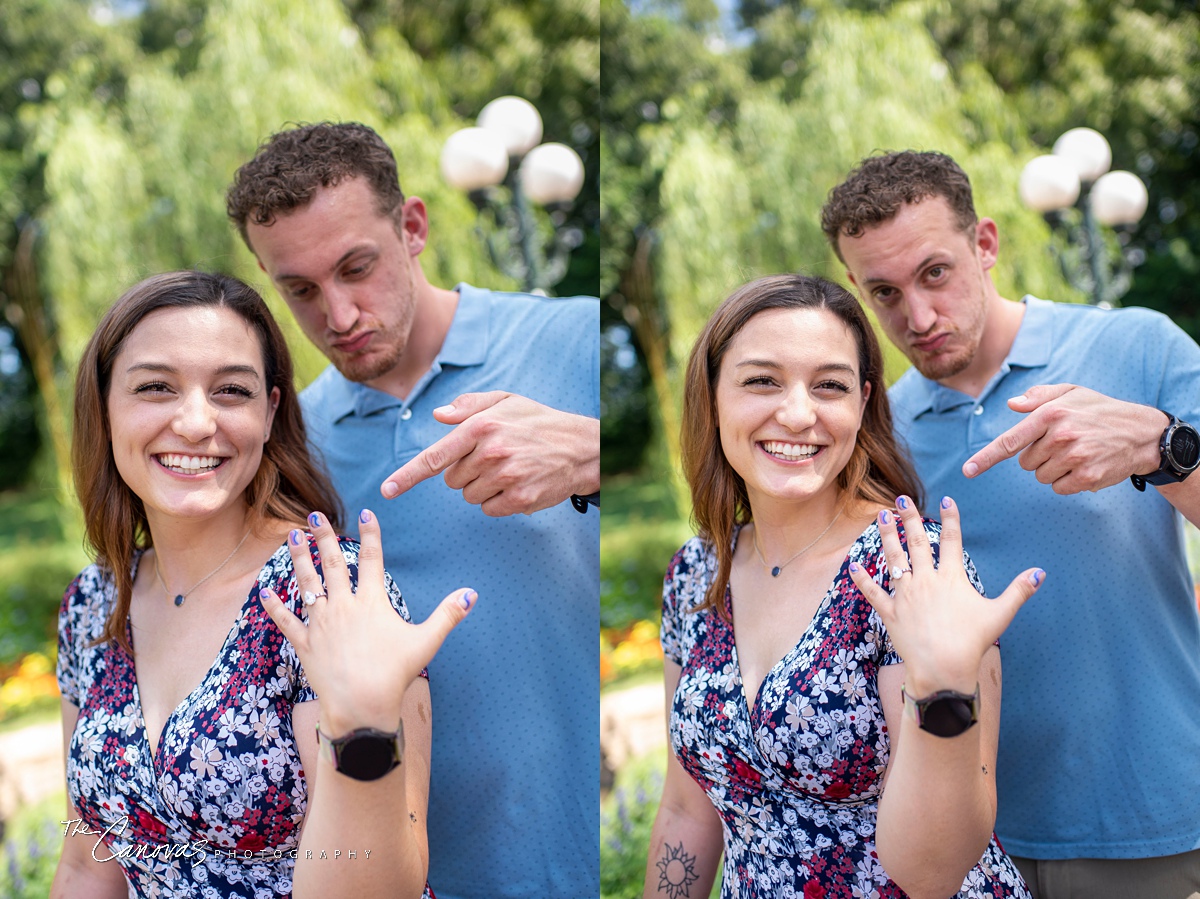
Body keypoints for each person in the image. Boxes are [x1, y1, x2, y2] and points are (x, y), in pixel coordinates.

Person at [225, 122, 600, 899]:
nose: (337, 313)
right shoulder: (285, 446)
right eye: (298, 288)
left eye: (356, 267)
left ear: (415, 228)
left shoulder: (575, 337)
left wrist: (587, 453)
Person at [821, 150, 1200, 899]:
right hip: (966, 847)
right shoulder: (877, 431)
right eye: (884, 293)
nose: (918, 318)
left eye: (936, 273)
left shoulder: (1138, 345)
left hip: (1154, 814)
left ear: (986, 244)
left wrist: (1162, 447)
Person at [51, 271, 474, 899]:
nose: (195, 423)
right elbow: (90, 862)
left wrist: (363, 726)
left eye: (231, 391)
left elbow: (384, 885)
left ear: (270, 412)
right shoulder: (93, 603)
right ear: (105, 405)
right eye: (155, 387)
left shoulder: (333, 591)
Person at [646, 273, 1042, 899]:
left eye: (828, 386)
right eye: (761, 380)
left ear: (861, 402)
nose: (798, 413)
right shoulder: (695, 571)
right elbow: (685, 812)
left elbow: (933, 872)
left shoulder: (911, 567)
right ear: (713, 395)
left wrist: (943, 687)